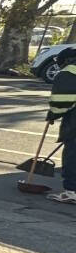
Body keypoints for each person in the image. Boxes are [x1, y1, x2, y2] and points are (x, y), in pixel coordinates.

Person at [47, 46, 76, 204]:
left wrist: (53, 113)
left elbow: (61, 101)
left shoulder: (69, 72)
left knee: (73, 155)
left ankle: (71, 192)